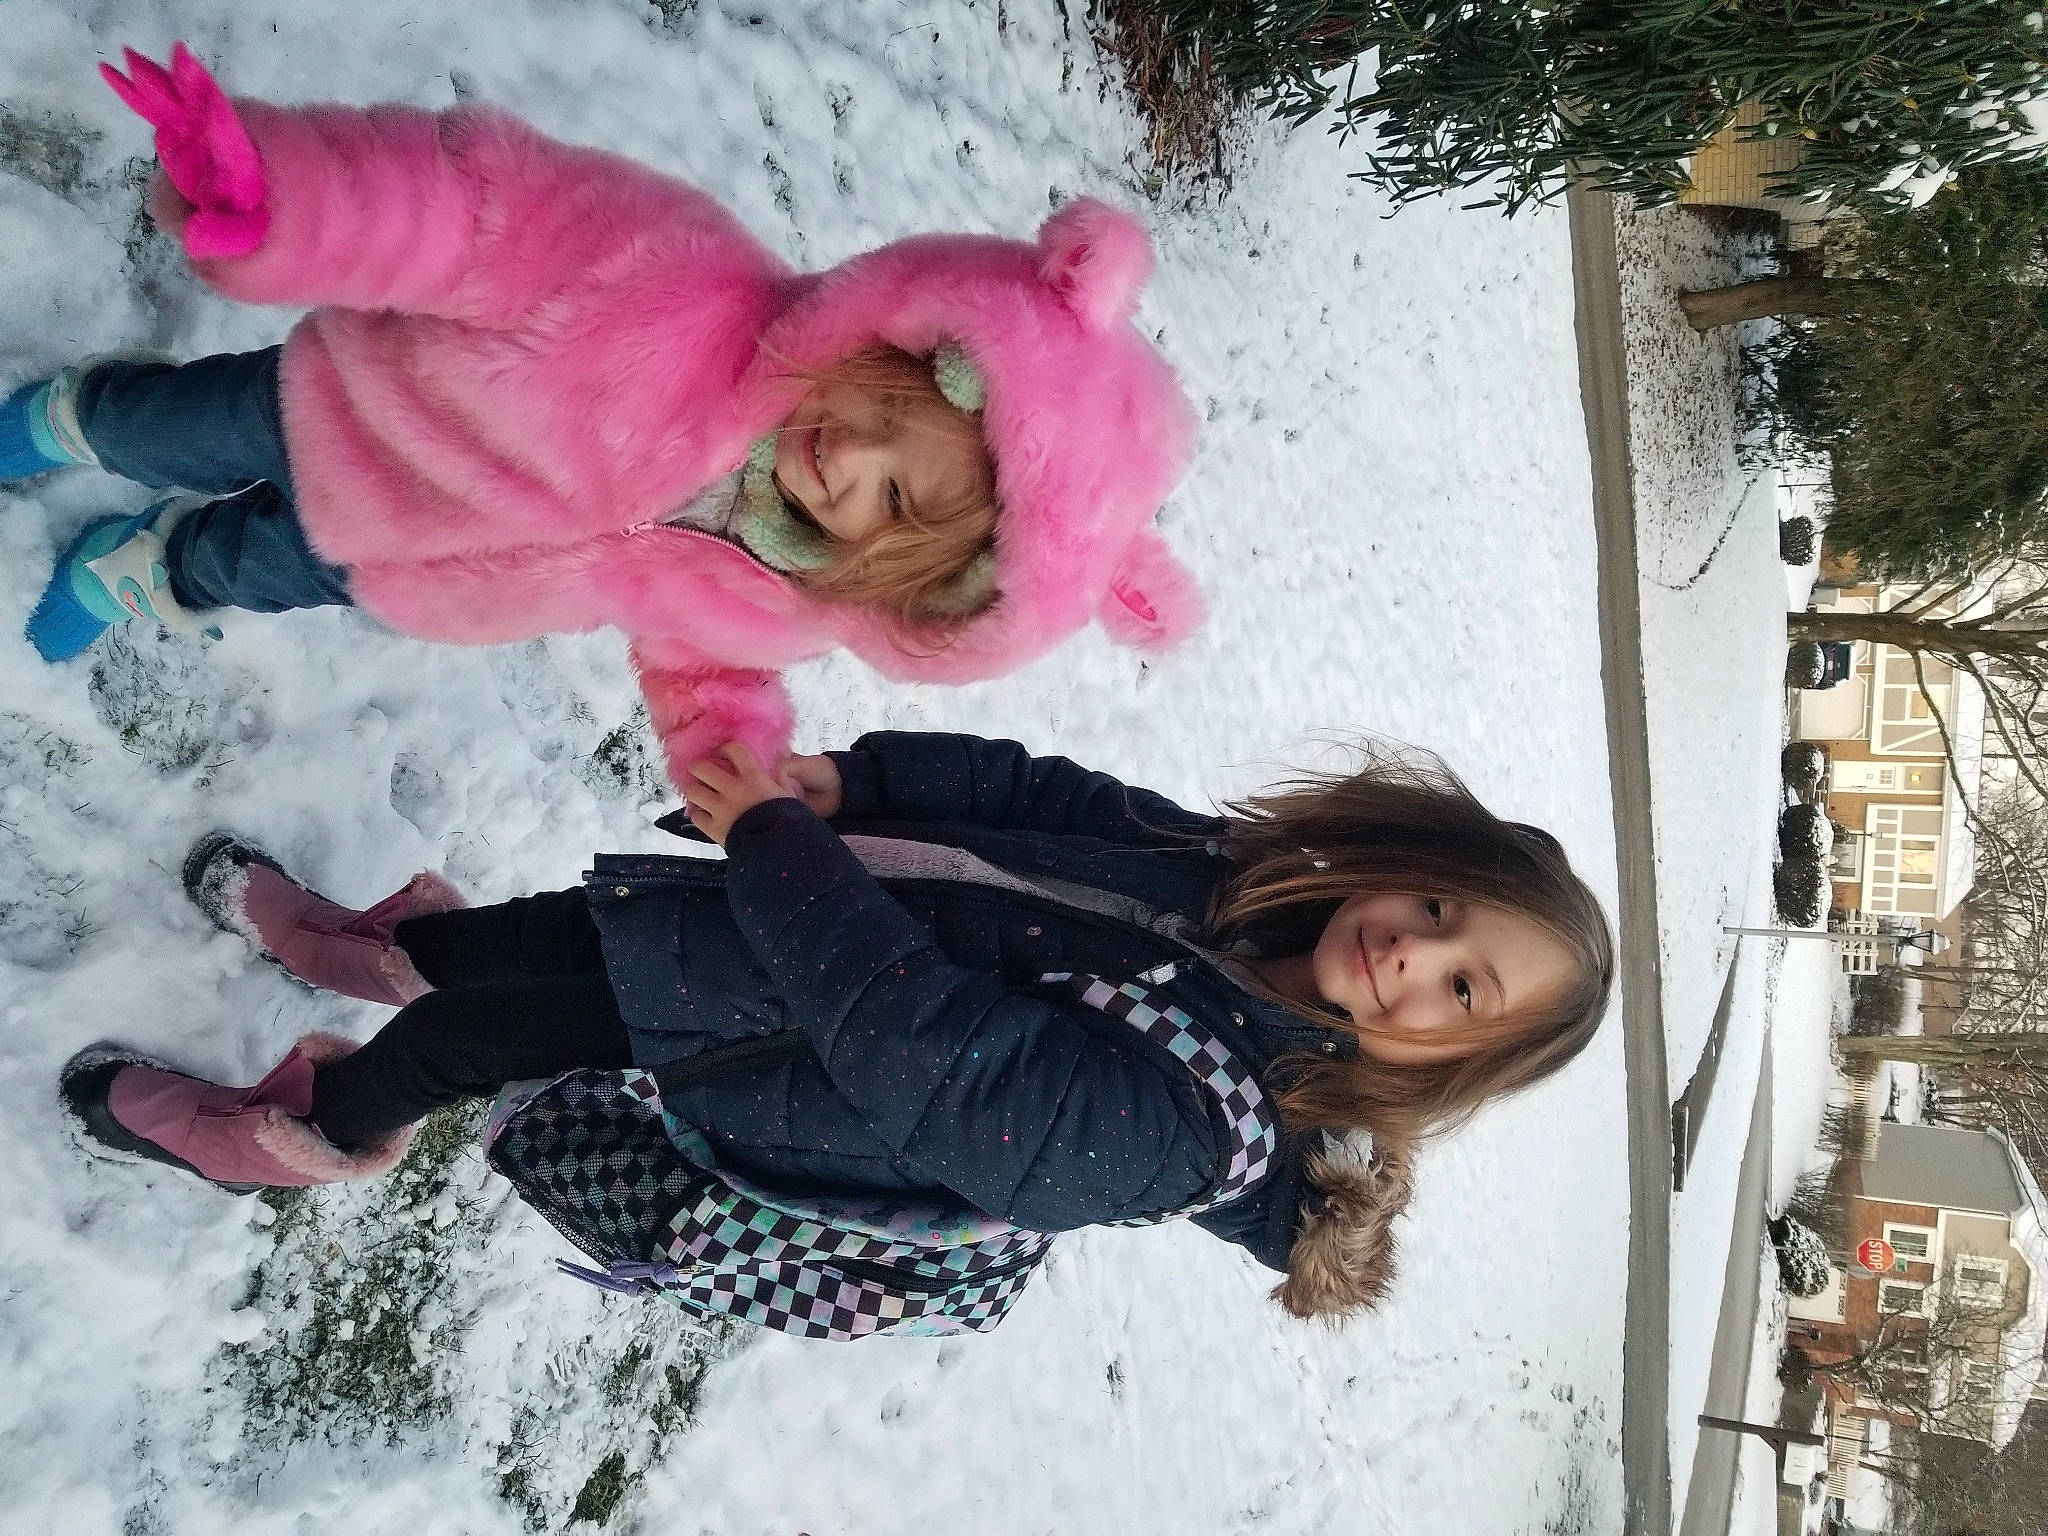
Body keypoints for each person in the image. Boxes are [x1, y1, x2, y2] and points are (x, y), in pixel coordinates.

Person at [62, 730, 1615, 1323]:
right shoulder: (1241, 885)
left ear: (1441, 1063)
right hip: (748, 927)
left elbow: (927, 1055)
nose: (1408, 955)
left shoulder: (1192, 1135)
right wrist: (855, 794)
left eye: (1456, 991)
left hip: (752, 1052)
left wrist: (776, 850)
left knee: (467, 1044)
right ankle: (369, 947)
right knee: (514, 937)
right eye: (1436, 911)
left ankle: (301, 1135)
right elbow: (1041, 802)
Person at [5, 46, 1200, 782]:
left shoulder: (786, 602)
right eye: (887, 409)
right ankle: (82, 418)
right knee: (166, 430)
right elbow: (477, 211)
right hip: (337, 413)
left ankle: (147, 568)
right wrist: (297, 203)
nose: (853, 454)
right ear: (887, 344)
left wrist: (728, 754)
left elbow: (704, 666)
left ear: (901, 579)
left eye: (892, 500)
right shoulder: (673, 275)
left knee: (247, 564)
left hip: (410, 568)